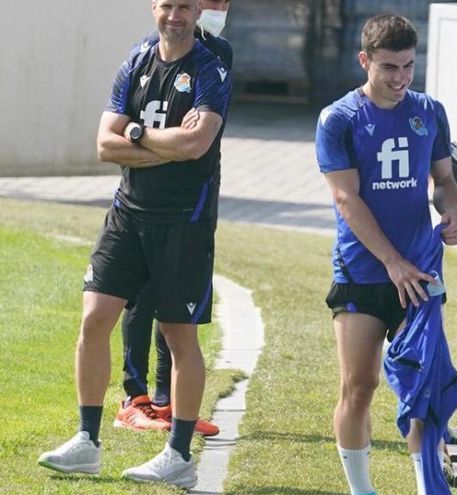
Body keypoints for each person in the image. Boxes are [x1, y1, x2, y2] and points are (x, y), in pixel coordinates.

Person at [37, 0, 231, 488]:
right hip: (128, 214)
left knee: (178, 337)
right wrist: (159, 142)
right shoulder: (138, 58)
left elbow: (196, 146)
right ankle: (86, 441)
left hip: (182, 222)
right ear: (154, 7)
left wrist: (137, 133)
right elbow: (104, 144)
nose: (175, 16)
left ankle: (180, 452)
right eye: (167, 5)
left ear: (196, 11)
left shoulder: (211, 66)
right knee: (94, 318)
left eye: (185, 7)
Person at [316, 14, 457, 495]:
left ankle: (426, 488)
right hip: (362, 273)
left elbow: (444, 180)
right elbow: (346, 199)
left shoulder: (429, 111)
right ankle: (362, 491)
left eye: (407, 67)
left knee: (422, 391)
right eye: (388, 68)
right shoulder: (338, 119)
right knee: (359, 387)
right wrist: (390, 263)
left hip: (419, 272)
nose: (400, 78)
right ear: (365, 61)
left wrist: (452, 213)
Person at [114, 0, 233, 437]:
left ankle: (167, 401)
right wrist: (161, 142)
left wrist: (166, 142)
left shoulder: (216, 55)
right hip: (146, 197)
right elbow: (112, 137)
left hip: (194, 196)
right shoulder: (146, 53)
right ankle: (134, 396)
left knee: (175, 302)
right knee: (139, 293)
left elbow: (195, 141)